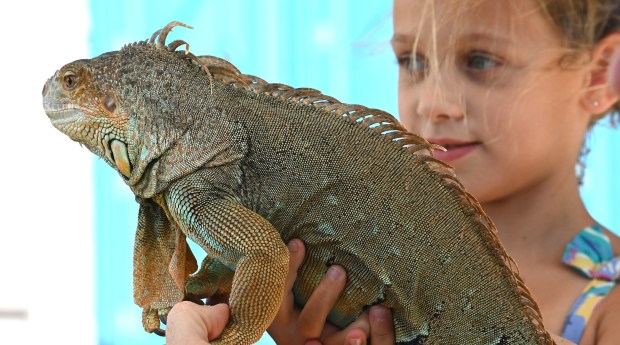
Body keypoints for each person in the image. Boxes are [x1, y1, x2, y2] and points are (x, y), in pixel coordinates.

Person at [167, 1, 620, 344]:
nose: (433, 104)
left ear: (601, 75)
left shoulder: (608, 309)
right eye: (412, 62)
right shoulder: (329, 255)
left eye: (481, 61)